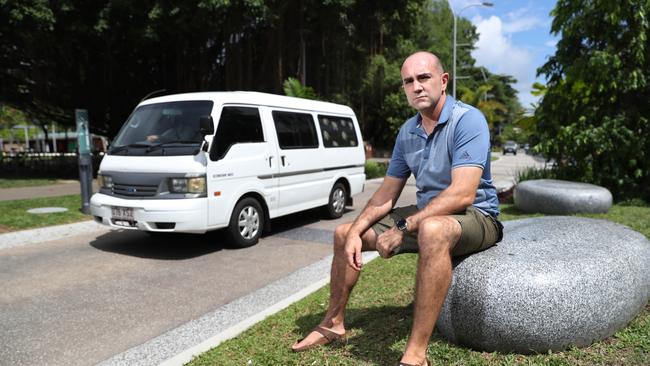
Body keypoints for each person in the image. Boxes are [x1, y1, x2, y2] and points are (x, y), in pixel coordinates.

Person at [291, 51, 502, 366]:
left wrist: (403, 228)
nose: (416, 87)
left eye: (424, 78)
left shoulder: (467, 120)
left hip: (477, 217)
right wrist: (357, 231)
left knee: (431, 228)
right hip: (428, 214)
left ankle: (415, 353)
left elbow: (462, 194)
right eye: (408, 81)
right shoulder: (408, 132)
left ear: (443, 81)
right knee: (343, 233)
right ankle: (333, 323)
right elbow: (386, 195)